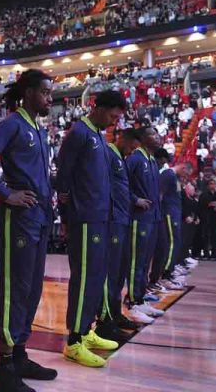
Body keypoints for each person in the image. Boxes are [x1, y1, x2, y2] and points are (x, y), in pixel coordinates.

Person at [0, 69, 57, 390]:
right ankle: (3, 366)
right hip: (17, 218)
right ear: (30, 92)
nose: (50, 98)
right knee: (14, 290)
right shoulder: (13, 125)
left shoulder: (38, 129)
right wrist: (5, 192)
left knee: (32, 289)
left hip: (39, 217)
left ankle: (19, 353)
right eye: (45, 92)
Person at [57, 90, 126, 368]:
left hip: (100, 217)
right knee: (84, 279)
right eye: (112, 116)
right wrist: (66, 217)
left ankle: (86, 331)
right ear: (97, 108)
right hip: (84, 218)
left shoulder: (99, 134)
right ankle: (74, 341)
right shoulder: (80, 133)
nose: (114, 122)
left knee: (96, 277)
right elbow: (63, 178)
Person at [98, 128, 142, 338]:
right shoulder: (108, 153)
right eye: (132, 147)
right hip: (113, 220)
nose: (132, 152)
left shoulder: (121, 158)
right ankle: (105, 321)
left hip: (124, 219)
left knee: (120, 273)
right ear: (123, 138)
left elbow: (123, 189)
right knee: (110, 273)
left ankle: (115, 314)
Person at [125, 127, 166, 321]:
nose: (157, 138)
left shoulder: (151, 161)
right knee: (136, 261)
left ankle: (140, 300)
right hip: (138, 217)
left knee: (144, 262)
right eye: (153, 134)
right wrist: (135, 200)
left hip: (152, 218)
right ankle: (132, 303)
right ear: (142, 138)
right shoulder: (135, 159)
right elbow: (121, 184)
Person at [151, 149, 192, 291]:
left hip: (174, 213)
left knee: (175, 242)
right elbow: (159, 195)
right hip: (168, 214)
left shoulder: (174, 177)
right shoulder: (168, 175)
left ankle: (169, 272)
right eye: (186, 173)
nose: (186, 176)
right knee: (172, 243)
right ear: (183, 167)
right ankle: (165, 275)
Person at [198, 179, 216, 259]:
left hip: (215, 218)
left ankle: (214, 253)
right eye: (211, 184)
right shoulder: (204, 195)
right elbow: (200, 206)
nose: (212, 185)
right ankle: (206, 253)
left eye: (214, 184)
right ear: (208, 185)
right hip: (207, 218)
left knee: (214, 236)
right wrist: (208, 205)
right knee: (206, 236)